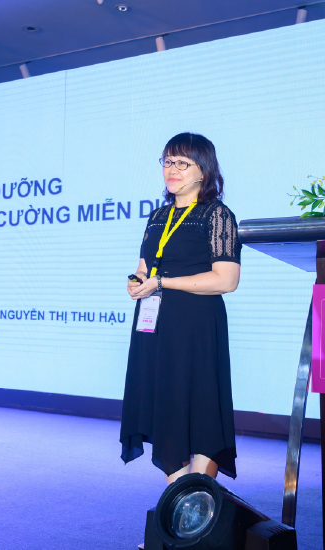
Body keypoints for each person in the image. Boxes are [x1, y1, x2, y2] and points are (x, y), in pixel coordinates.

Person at [120, 132, 242, 486]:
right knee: (167, 407)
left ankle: (199, 501)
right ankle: (178, 502)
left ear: (204, 170)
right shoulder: (158, 216)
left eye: (182, 163)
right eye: (168, 162)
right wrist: (138, 281)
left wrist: (161, 283)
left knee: (201, 408)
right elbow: (146, 266)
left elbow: (226, 280)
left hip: (196, 326)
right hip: (156, 325)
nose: (172, 170)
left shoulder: (217, 215)